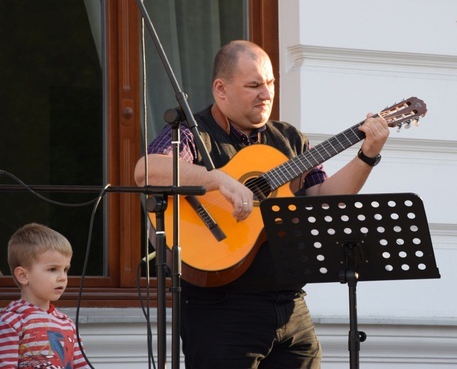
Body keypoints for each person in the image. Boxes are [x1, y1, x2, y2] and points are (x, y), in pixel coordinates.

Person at [133, 40, 390, 368]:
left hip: (291, 305)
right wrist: (219, 180)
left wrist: (367, 155)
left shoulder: (290, 140)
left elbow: (322, 199)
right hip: (221, 310)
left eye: (270, 84)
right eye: (254, 85)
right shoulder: (192, 135)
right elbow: (146, 171)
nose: (266, 94)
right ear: (221, 89)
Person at [0, 223, 90, 368]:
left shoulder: (68, 324)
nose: (62, 277)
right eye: (53, 269)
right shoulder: (11, 322)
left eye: (65, 269)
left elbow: (81, 365)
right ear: (23, 275)